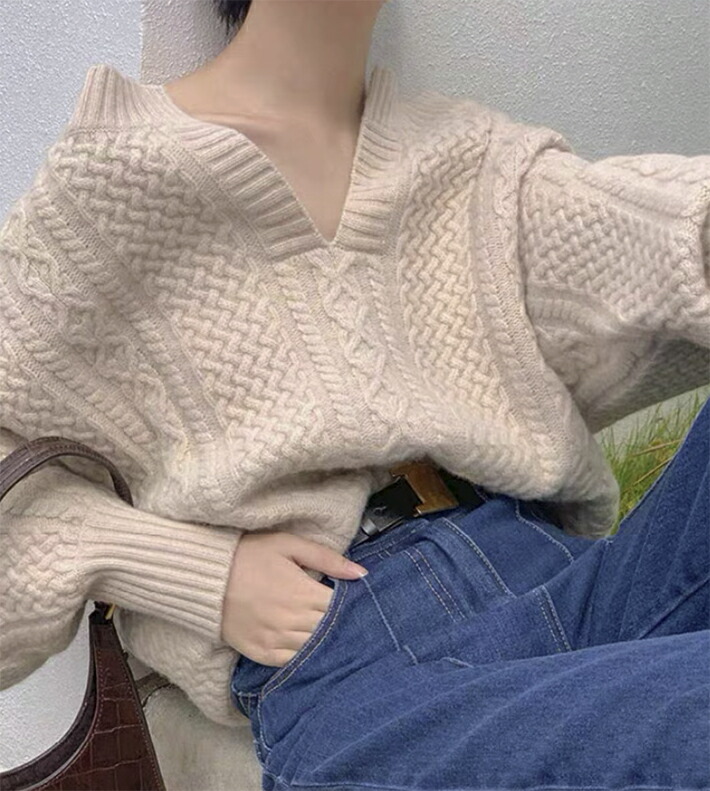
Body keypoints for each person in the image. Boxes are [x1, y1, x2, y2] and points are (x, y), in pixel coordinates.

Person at [1, 0, 708, 788]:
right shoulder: (106, 187)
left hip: (573, 577)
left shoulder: (467, 159)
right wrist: (194, 573)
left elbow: (665, 233)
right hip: (357, 663)